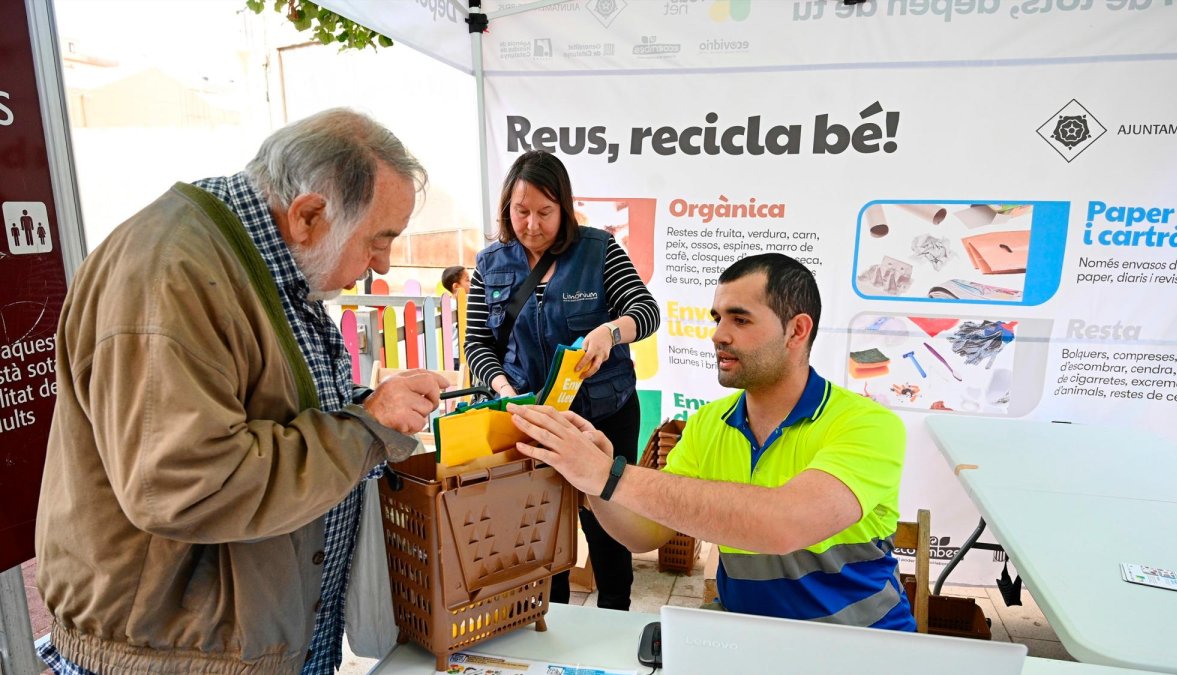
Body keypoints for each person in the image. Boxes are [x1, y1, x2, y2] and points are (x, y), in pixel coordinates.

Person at [35, 108, 450, 675]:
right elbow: (184, 483)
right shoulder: (171, 274)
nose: (380, 265)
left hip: (248, 638)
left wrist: (365, 405)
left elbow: (269, 404)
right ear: (309, 215)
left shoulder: (261, 261)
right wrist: (365, 429)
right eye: (379, 240)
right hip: (175, 653)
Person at [507, 253, 915, 630]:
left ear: (797, 330)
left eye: (740, 320)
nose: (718, 334)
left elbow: (784, 524)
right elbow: (644, 535)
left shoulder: (867, 424)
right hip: (746, 638)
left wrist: (612, 477)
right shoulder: (708, 423)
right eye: (717, 318)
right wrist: (595, 483)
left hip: (864, 643)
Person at [464, 150, 660, 610]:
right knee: (539, 525)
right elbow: (476, 341)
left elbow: (645, 312)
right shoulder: (490, 264)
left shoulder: (599, 250)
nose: (532, 224)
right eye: (521, 211)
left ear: (565, 209)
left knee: (606, 519)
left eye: (545, 212)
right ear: (506, 210)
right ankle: (549, 618)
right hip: (532, 420)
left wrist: (609, 332)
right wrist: (502, 388)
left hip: (603, 417)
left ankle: (616, 612)